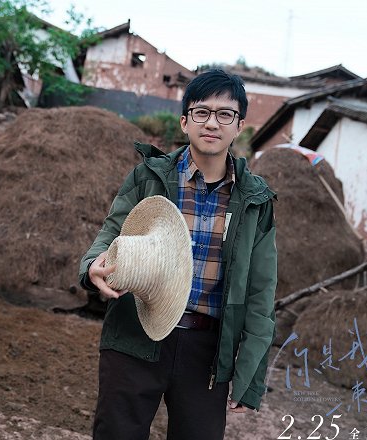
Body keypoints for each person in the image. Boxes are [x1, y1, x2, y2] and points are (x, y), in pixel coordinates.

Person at [78, 69, 277, 440]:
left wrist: (250, 377)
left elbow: (261, 292)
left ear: (239, 126)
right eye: (201, 112)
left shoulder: (256, 200)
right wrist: (92, 266)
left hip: (208, 351)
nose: (212, 123)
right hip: (134, 335)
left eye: (224, 114)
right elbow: (111, 233)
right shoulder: (148, 177)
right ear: (185, 121)